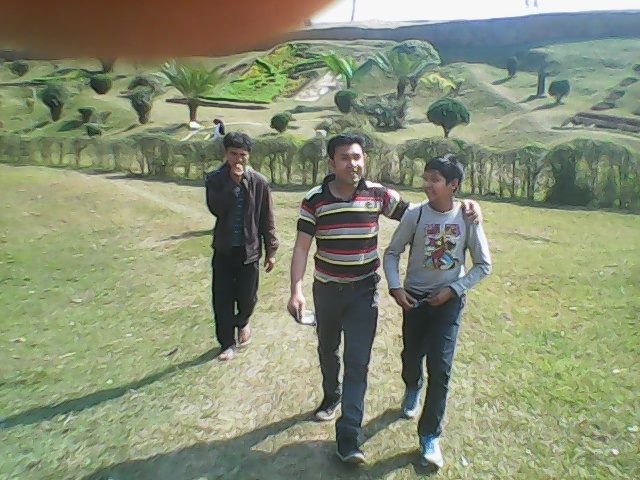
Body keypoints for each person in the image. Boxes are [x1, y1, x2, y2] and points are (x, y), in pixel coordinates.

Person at [287, 135, 482, 464]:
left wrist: (467, 205)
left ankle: (348, 437)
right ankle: (331, 394)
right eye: (345, 158)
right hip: (327, 291)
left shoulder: (378, 194)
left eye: (358, 157)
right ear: (331, 163)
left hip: (363, 294)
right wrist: (296, 289)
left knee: (358, 363)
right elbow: (302, 247)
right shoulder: (315, 199)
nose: (353, 164)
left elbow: (423, 212)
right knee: (328, 350)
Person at [383, 154, 492, 469]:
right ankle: (412, 387)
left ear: (453, 185)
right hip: (414, 301)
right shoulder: (415, 215)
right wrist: (396, 288)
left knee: (441, 369)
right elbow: (392, 253)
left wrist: (454, 290)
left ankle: (430, 436)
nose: (427, 184)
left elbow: (483, 265)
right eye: (426, 177)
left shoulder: (467, 218)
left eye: (435, 179)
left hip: (448, 304)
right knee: (411, 357)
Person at [205, 132, 278, 361]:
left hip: (250, 251)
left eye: (242, 155)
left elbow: (267, 217)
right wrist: (233, 185)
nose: (238, 159)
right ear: (225, 154)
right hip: (224, 250)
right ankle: (227, 343)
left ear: (249, 156)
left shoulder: (259, 182)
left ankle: (243, 321)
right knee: (222, 299)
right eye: (233, 154)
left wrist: (271, 250)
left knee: (248, 297)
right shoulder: (215, 180)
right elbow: (216, 209)